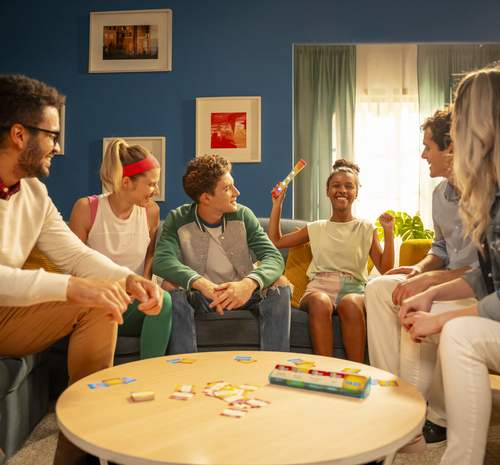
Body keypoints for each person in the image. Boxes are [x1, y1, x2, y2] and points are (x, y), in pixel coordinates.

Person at [0, 74, 163, 465]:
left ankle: (78, 450)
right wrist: (70, 287)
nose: (58, 147)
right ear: (19, 135)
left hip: (7, 316)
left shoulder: (34, 193)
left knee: (101, 302)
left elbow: (74, 254)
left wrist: (128, 279)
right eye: (52, 135)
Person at [399, 67, 500, 464]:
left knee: (458, 332)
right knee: (437, 318)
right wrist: (431, 292)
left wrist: (440, 316)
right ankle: (408, 419)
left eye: (459, 120)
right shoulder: (489, 191)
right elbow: (488, 276)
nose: (454, 134)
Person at [364, 108, 479, 452]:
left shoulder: (486, 194)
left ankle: (431, 418)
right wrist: (418, 270)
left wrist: (431, 282)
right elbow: (440, 248)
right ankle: (391, 395)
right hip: (444, 280)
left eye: (428, 147)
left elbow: (486, 273)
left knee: (414, 310)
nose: (422, 155)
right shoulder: (439, 194)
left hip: (473, 291)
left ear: (451, 149)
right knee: (379, 288)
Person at [152, 154, 291, 354]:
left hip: (244, 294)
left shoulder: (243, 215)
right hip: (202, 296)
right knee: (168, 285)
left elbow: (274, 257)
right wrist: (201, 283)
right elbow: (162, 260)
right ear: (206, 198)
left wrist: (248, 284)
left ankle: (274, 361)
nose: (236, 192)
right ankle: (184, 365)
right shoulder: (178, 218)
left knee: (280, 282)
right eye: (227, 189)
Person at [268, 159, 395, 363]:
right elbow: (276, 241)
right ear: (327, 192)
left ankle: (357, 370)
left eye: (349, 186)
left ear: (356, 193)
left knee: (351, 303)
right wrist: (277, 205)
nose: (342, 190)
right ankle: (326, 370)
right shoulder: (316, 227)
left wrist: (388, 232)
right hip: (319, 287)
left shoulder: (366, 227)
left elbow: (385, 268)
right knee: (320, 301)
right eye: (336, 185)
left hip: (354, 289)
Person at [69, 138, 172, 359]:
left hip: (131, 304)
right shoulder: (86, 208)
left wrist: (142, 288)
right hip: (95, 303)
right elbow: (72, 264)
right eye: (151, 184)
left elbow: (150, 255)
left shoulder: (151, 212)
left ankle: (149, 373)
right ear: (126, 183)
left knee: (165, 301)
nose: (156, 190)